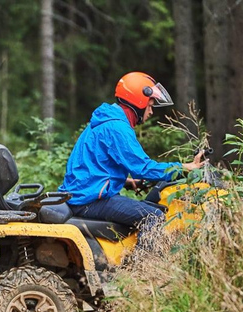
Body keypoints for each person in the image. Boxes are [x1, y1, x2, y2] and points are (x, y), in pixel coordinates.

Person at [59, 71, 206, 249]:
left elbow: (92, 165)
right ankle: (141, 269)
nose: (151, 111)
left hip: (82, 195)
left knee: (147, 208)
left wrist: (127, 181)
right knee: (153, 216)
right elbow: (142, 168)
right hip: (89, 201)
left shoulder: (104, 121)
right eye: (150, 105)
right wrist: (184, 167)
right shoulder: (117, 127)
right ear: (139, 101)